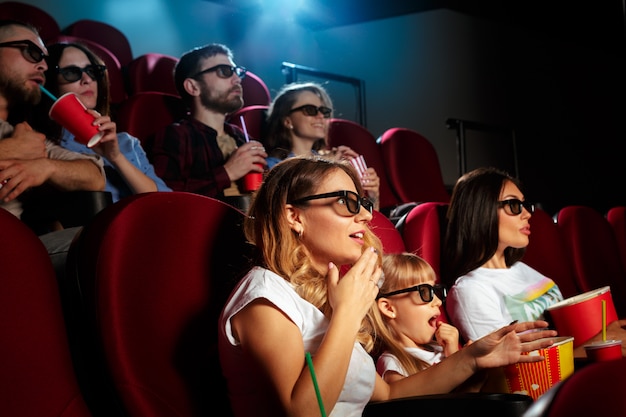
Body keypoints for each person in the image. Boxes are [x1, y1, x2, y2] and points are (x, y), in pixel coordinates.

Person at [218, 156, 557, 417]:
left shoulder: (323, 300)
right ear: (294, 216)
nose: (365, 217)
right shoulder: (263, 298)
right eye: (346, 202)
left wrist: (473, 358)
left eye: (362, 204)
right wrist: (348, 315)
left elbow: (389, 396)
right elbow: (304, 411)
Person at [441, 166, 626, 357]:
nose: (527, 214)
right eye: (514, 206)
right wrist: (597, 346)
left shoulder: (524, 270)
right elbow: (509, 373)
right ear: (480, 210)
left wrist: (606, 334)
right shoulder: (470, 291)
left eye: (524, 205)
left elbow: (566, 341)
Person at [32, 41, 171, 203]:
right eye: (71, 73)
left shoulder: (126, 142)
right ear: (50, 82)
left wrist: (116, 157)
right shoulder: (41, 143)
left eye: (92, 71)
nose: (87, 79)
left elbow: (165, 200)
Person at [0, 20, 105, 226]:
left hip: (18, 245)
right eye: (31, 52)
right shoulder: (21, 143)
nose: (44, 66)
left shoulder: (24, 136)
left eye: (45, 58)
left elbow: (95, 176)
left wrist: (47, 167)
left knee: (108, 241)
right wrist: (7, 150)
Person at [144, 43, 266, 202]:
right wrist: (228, 172)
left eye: (237, 72)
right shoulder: (176, 136)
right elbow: (165, 197)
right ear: (193, 87)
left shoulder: (241, 136)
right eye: (225, 71)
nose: (237, 79)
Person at [264, 81, 381, 210]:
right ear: (287, 121)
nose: (320, 116)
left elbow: (363, 219)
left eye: (324, 111)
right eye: (310, 110)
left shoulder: (333, 159)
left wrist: (371, 196)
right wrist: (329, 172)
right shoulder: (271, 167)